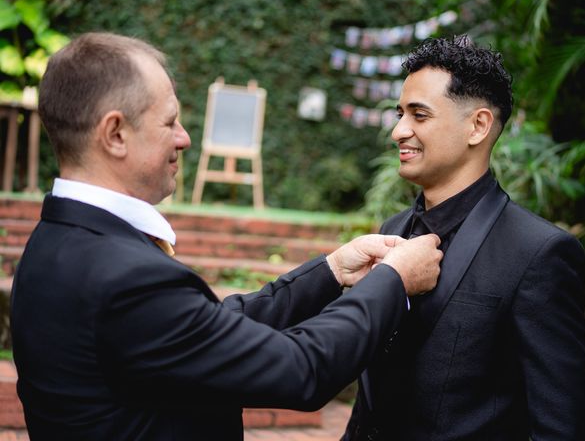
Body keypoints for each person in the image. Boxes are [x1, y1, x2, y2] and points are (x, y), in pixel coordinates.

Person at [9, 32, 444, 441]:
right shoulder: (125, 276)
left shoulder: (56, 242)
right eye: (170, 122)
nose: (185, 138)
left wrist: (331, 272)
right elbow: (300, 369)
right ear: (115, 134)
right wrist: (394, 280)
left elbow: (210, 330)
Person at [342, 36, 585, 440]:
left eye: (419, 115)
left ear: (478, 126)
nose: (398, 131)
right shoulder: (391, 231)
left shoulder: (539, 253)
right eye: (399, 113)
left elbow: (563, 427)